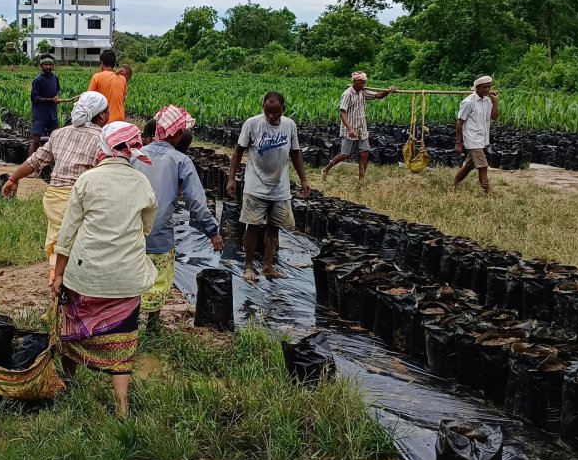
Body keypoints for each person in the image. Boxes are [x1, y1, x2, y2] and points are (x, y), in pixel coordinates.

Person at [52, 122, 158, 417]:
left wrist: (59, 274)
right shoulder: (142, 182)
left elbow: (67, 234)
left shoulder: (87, 180)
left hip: (85, 276)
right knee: (123, 340)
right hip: (127, 277)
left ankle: (70, 383)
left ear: (105, 147)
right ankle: (122, 405)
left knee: (72, 332)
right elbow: (146, 226)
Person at [2, 92, 110, 286]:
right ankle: (70, 293)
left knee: (58, 244)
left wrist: (13, 178)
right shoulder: (103, 139)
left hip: (56, 199)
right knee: (79, 246)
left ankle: (55, 293)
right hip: (83, 199)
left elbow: (35, 160)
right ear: (102, 115)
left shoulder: (59, 133)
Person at [132, 106, 223, 327]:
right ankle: (152, 325)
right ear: (175, 134)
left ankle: (130, 323)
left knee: (132, 278)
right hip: (159, 234)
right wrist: (212, 231)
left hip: (131, 233)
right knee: (159, 279)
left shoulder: (136, 156)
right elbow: (195, 202)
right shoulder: (180, 160)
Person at [227, 92, 311, 284]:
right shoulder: (252, 124)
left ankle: (268, 266)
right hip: (255, 185)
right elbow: (238, 151)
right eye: (267, 112)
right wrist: (231, 179)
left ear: (284, 109)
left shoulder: (290, 125)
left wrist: (304, 180)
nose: (271, 116)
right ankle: (248, 266)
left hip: (280, 187)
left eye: (276, 112)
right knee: (253, 227)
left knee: (274, 228)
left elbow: (296, 153)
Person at [321, 72, 395, 184]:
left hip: (362, 129)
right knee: (345, 155)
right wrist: (350, 129)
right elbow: (342, 113)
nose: (364, 84)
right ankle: (326, 169)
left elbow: (378, 96)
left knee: (364, 153)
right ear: (355, 82)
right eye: (362, 82)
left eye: (365, 82)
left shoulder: (363, 92)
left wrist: (387, 91)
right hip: (350, 129)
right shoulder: (347, 94)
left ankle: (361, 180)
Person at [454, 75, 499, 194]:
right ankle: (487, 193)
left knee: (469, 165)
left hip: (482, 139)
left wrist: (495, 102)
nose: (488, 90)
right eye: (485, 87)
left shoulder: (487, 101)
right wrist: (458, 143)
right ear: (477, 87)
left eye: (489, 87)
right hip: (472, 139)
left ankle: (454, 185)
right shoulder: (468, 102)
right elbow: (460, 122)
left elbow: (494, 117)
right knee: (483, 166)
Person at [29, 56, 62, 156]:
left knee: (55, 138)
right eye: (46, 65)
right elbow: (35, 98)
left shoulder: (55, 78)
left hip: (52, 113)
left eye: (50, 65)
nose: (48, 67)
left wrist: (57, 96)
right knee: (36, 140)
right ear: (41, 66)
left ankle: (53, 163)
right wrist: (51, 100)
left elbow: (58, 90)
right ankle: (30, 163)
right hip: (40, 114)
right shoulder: (37, 80)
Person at [87, 49, 128, 122]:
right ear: (114, 64)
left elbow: (89, 100)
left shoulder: (97, 77)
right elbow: (123, 100)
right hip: (120, 120)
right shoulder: (123, 79)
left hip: (104, 121)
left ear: (101, 63)